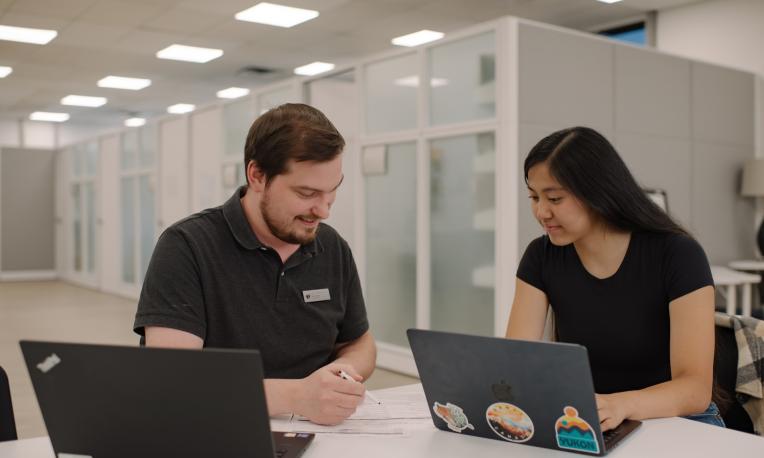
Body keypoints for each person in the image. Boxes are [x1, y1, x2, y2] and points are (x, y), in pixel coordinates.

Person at [133, 103, 376, 426]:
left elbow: (359, 342)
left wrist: (343, 373)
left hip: (319, 430)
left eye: (331, 193)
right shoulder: (187, 246)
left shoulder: (332, 247)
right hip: (218, 427)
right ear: (257, 175)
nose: (323, 211)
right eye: (307, 193)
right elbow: (173, 380)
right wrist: (297, 397)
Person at [505, 126, 722, 430]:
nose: (541, 212)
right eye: (534, 197)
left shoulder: (678, 254)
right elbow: (516, 362)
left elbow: (695, 390)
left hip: (680, 420)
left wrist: (620, 404)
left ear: (597, 193)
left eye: (554, 198)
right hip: (591, 418)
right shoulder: (541, 257)